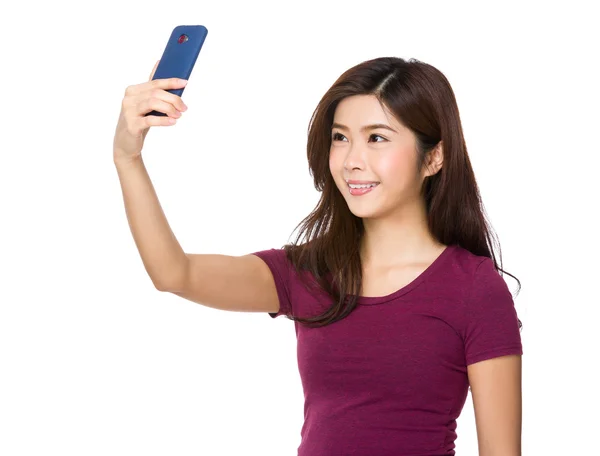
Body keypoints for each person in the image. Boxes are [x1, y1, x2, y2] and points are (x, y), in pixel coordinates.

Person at [113, 56, 523, 456]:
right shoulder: (308, 273)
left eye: (376, 138)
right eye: (340, 137)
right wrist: (127, 157)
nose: (351, 161)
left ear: (433, 157)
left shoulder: (474, 288)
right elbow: (174, 273)